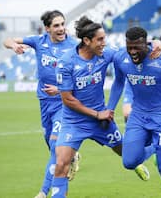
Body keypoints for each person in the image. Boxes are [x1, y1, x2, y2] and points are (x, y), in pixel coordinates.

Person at [52, 17, 150, 198]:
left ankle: (136, 164)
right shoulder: (66, 62)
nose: (104, 43)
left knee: (126, 154)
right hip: (75, 122)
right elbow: (68, 99)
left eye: (105, 38)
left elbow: (128, 51)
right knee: (61, 165)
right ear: (87, 41)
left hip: (101, 120)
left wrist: (153, 44)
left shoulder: (105, 54)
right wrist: (97, 114)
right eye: (100, 39)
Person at [3, 10, 81, 198]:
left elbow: (81, 75)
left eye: (63, 24)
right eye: (56, 25)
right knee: (54, 148)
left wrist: (62, 89)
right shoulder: (39, 41)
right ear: (47, 28)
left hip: (65, 104)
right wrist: (14, 46)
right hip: (45, 104)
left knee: (56, 148)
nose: (61, 28)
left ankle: (43, 192)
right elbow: (8, 40)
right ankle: (71, 157)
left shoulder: (74, 46)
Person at [107, 26, 161, 198]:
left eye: (137, 47)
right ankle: (153, 149)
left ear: (146, 44)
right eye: (129, 47)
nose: (132, 52)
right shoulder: (120, 58)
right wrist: (109, 109)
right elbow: (118, 83)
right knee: (128, 162)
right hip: (139, 115)